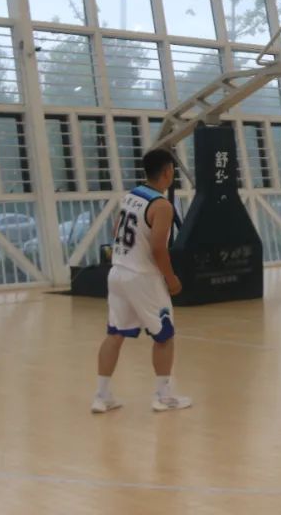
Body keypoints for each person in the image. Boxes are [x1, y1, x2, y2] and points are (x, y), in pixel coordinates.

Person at [92, 149, 192, 414]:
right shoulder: (162, 206)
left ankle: (102, 396)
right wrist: (171, 279)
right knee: (164, 335)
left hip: (117, 272)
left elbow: (116, 230)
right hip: (142, 277)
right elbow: (159, 248)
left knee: (114, 334)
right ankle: (163, 397)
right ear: (168, 172)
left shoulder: (132, 195)